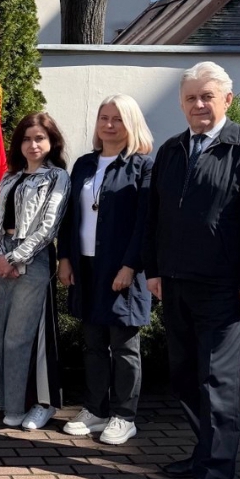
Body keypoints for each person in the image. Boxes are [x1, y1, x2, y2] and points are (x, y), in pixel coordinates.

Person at [144, 61, 240, 479]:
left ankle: (214, 475)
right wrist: (153, 269)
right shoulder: (170, 151)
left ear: (227, 99)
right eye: (191, 98)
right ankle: (203, 453)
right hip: (177, 283)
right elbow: (156, 217)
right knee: (186, 376)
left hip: (226, 290)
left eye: (207, 96)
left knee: (216, 382)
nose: (199, 105)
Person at [57, 95, 154, 446]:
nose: (109, 125)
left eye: (117, 119)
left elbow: (146, 223)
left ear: (131, 124)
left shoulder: (142, 166)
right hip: (85, 267)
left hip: (122, 268)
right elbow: (69, 217)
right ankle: (95, 410)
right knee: (93, 343)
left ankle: (124, 416)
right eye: (103, 118)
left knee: (124, 346)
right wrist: (64, 258)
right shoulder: (84, 164)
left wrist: (131, 266)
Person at [0, 112, 70, 431]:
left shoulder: (57, 177)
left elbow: (49, 227)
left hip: (33, 261)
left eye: (39, 138)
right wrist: (1, 256)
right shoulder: (9, 178)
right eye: (26, 138)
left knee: (20, 338)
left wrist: (17, 257)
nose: (33, 144)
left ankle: (37, 404)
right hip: (4, 260)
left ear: (51, 142)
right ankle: (7, 402)